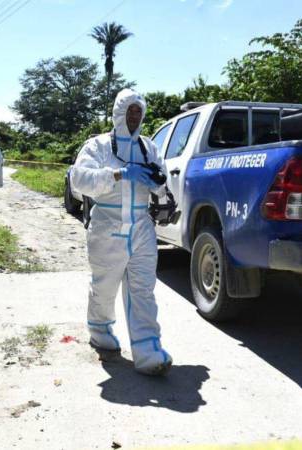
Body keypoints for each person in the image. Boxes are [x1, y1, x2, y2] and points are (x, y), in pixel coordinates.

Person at [70, 89, 172, 376]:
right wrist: (117, 174)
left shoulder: (148, 148)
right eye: (130, 111)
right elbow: (79, 180)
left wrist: (157, 182)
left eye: (139, 112)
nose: (134, 116)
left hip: (141, 226)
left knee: (143, 290)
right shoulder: (98, 146)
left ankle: (149, 351)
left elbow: (161, 183)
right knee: (105, 286)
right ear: (119, 113)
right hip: (108, 225)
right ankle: (100, 330)